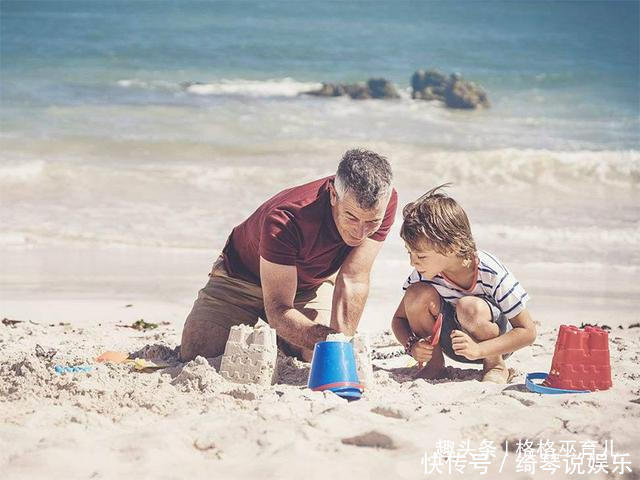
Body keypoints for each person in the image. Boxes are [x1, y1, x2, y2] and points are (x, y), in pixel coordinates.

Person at [180, 148, 398, 362]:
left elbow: (354, 278)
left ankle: (281, 340)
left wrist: (341, 345)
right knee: (197, 351)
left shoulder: (384, 203)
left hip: (308, 284)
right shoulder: (285, 219)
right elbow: (278, 308)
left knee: (319, 355)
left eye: (372, 222)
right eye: (351, 217)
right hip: (241, 277)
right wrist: (323, 337)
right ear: (333, 194)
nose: (360, 233)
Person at [391, 184, 536, 383]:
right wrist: (412, 345)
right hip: (453, 343)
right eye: (410, 253)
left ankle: (495, 366)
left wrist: (480, 350)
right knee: (416, 295)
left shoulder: (489, 271)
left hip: (494, 344)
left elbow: (528, 332)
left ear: (452, 246)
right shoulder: (424, 274)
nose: (412, 262)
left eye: (421, 256)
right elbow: (398, 320)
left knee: (469, 307)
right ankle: (435, 365)